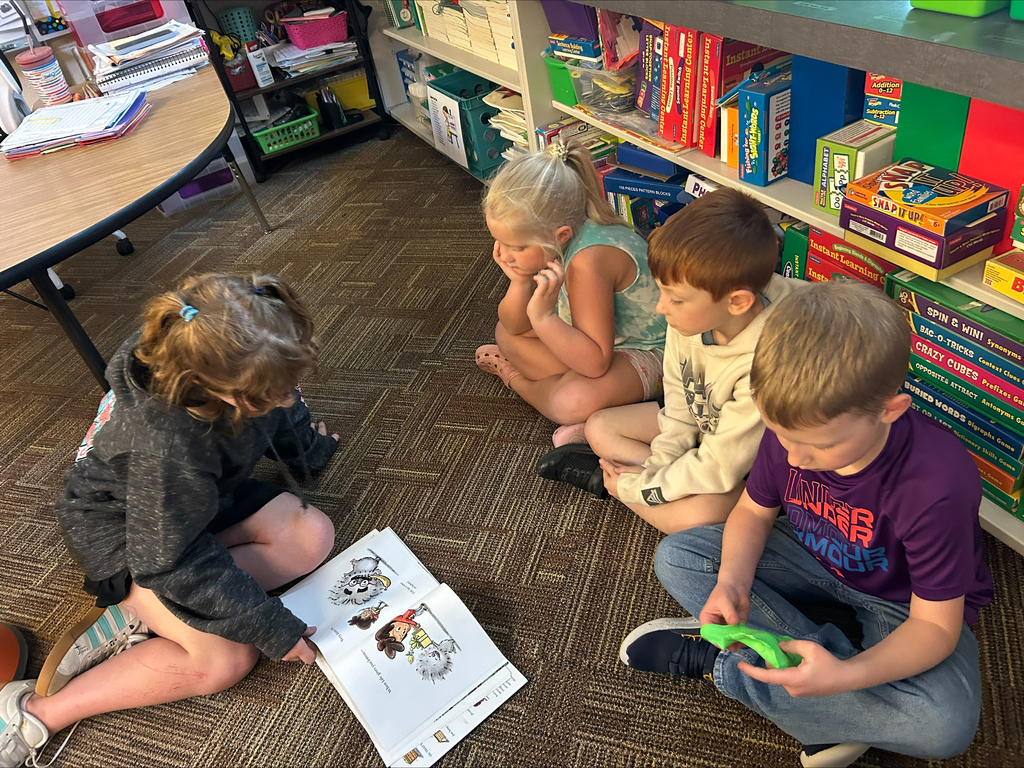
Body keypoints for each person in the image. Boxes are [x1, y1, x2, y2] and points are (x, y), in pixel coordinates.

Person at [619, 283, 993, 768]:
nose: (794, 458)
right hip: (811, 555)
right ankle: (828, 697)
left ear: (889, 410)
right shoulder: (795, 430)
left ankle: (727, 666)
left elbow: (934, 628)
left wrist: (846, 676)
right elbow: (753, 511)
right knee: (679, 555)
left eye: (818, 447)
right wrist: (732, 582)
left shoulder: (937, 483)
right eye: (781, 436)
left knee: (943, 725)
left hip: (902, 603)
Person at [0, 274, 341, 768]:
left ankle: (149, 612)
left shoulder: (240, 345)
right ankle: (36, 712)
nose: (288, 397)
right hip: (126, 534)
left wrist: (310, 448)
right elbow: (168, 558)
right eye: (271, 393)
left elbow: (283, 409)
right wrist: (268, 624)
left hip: (191, 508)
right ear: (218, 391)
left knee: (312, 536)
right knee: (228, 659)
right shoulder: (169, 447)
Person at [536, 188, 799, 529]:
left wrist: (636, 487)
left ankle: (608, 483)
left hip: (748, 461)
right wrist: (659, 471)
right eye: (662, 291)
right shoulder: (694, 315)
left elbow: (720, 466)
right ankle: (653, 484)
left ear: (736, 303)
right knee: (599, 427)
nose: (661, 307)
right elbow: (680, 405)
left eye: (674, 299)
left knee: (698, 515)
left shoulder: (764, 364)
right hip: (708, 428)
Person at [475, 138, 666, 434]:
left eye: (518, 247)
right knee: (506, 333)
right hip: (601, 342)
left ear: (560, 235)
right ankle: (598, 412)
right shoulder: (550, 238)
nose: (506, 254)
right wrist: (519, 280)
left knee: (569, 402)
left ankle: (516, 380)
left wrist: (542, 318)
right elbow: (513, 326)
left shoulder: (588, 261)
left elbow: (594, 365)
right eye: (500, 242)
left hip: (655, 351)